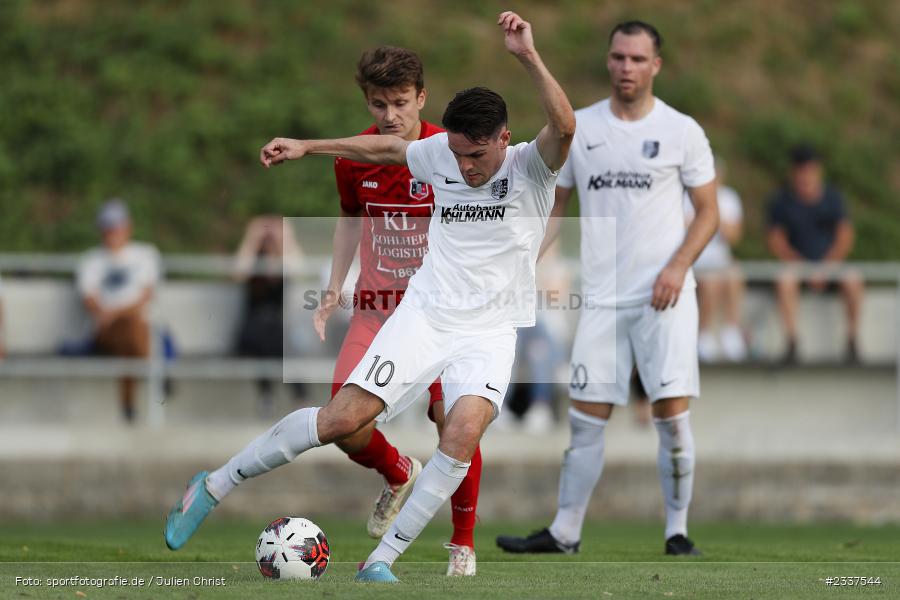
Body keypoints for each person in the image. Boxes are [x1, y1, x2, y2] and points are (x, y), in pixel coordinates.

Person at [164, 11, 575, 584]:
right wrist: (306, 146)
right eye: (456, 154)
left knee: (461, 433)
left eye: (476, 156)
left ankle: (382, 560)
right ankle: (214, 484)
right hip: (422, 317)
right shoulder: (441, 154)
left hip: (489, 333)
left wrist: (527, 56)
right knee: (341, 421)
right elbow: (382, 151)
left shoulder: (533, 166)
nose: (463, 167)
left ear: (504, 140)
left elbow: (565, 125)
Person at [496, 20, 718, 557]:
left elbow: (708, 212)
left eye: (638, 59)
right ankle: (565, 533)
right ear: (608, 60)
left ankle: (677, 532)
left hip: (664, 297)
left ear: (655, 65)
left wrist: (677, 267)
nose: (626, 68)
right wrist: (521, 263)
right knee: (585, 419)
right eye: (619, 57)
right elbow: (556, 208)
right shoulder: (583, 127)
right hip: (600, 297)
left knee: (671, 417)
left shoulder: (682, 131)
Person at [314, 45, 482, 576]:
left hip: (439, 314)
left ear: (422, 98)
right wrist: (334, 286)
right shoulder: (352, 157)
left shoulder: (449, 153)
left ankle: (462, 542)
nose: (390, 115)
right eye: (379, 104)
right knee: (340, 422)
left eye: (401, 102)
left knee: (454, 421)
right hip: (377, 311)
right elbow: (349, 219)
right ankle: (397, 470)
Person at [767, 144, 863, 363]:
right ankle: (792, 341)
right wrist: (803, 267)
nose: (805, 176)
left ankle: (852, 339)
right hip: (798, 266)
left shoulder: (833, 198)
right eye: (801, 171)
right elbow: (776, 241)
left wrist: (827, 267)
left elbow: (845, 237)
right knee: (784, 280)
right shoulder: (781, 201)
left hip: (830, 265)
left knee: (853, 279)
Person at [77, 199, 162, 423]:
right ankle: (155, 373)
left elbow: (147, 295)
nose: (112, 233)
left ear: (128, 227)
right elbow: (90, 301)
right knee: (131, 329)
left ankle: (128, 406)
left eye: (116, 227)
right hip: (107, 331)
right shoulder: (91, 260)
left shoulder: (145, 254)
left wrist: (115, 313)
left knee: (130, 337)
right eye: (108, 228)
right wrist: (118, 315)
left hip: (134, 326)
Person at [233, 215, 306, 416]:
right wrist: (252, 239)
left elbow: (298, 269)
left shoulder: (284, 260)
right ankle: (300, 397)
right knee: (270, 336)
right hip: (253, 327)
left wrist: (284, 239)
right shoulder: (253, 260)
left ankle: (267, 395)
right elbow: (238, 272)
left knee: (275, 336)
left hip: (277, 327)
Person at [687, 158, 747, 362]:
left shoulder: (729, 197)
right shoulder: (687, 196)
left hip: (721, 260)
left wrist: (709, 217)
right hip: (696, 259)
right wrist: (710, 218)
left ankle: (731, 329)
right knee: (711, 282)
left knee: (734, 276)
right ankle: (703, 333)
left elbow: (734, 236)